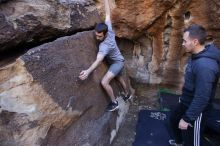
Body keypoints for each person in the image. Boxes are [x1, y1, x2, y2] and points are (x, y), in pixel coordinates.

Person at [169, 24, 220, 146]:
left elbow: (202, 98)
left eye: (185, 41)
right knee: (174, 119)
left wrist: (187, 119)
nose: (183, 43)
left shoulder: (205, 66)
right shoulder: (196, 55)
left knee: (192, 139)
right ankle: (179, 142)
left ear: (195, 41)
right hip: (186, 101)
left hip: (198, 109)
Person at [79, 0, 131, 112]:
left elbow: (98, 60)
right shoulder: (109, 28)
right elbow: (108, 14)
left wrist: (88, 71)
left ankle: (114, 102)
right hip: (119, 60)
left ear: (105, 34)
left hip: (117, 63)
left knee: (104, 82)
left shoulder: (104, 46)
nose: (97, 38)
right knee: (119, 77)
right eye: (96, 35)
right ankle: (127, 94)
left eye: (99, 36)